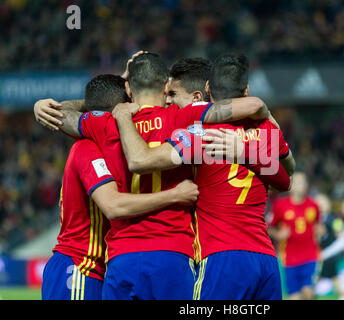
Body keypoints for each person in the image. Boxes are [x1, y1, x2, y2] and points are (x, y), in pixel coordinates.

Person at [35, 52, 272, 300]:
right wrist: (264, 123)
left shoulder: (107, 123)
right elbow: (251, 106)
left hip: (122, 256)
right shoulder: (184, 117)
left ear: (128, 87)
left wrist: (41, 105)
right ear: (167, 85)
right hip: (174, 254)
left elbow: (65, 113)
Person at [113, 53, 295, 300]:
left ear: (207, 88)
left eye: (172, 96)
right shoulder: (267, 130)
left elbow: (142, 161)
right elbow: (286, 180)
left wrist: (126, 100)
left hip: (221, 257)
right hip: (265, 259)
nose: (169, 101)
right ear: (246, 90)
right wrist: (247, 151)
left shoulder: (200, 134)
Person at [40, 74, 199, 300]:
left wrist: (124, 85)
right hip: (79, 266)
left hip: (97, 268)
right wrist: (174, 195)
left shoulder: (106, 142)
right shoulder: (87, 147)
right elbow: (113, 205)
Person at [268, 172, 322, 300]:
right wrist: (278, 234)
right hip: (289, 258)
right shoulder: (280, 205)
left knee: (308, 292)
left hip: (310, 255)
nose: (301, 185)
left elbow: (318, 225)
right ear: (291, 185)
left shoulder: (313, 205)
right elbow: (268, 227)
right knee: (294, 296)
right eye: (298, 182)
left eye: (303, 182)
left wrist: (320, 230)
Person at [314, 193, 343, 297]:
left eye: (322, 202)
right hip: (317, 254)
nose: (320, 205)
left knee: (335, 279)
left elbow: (341, 237)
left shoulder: (334, 219)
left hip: (330, 255)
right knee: (315, 280)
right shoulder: (314, 219)